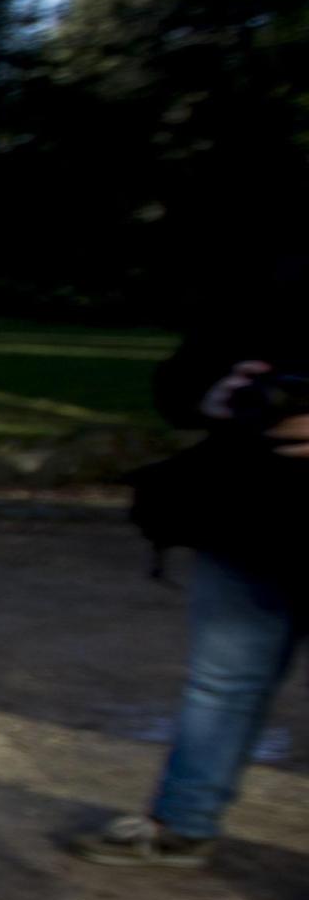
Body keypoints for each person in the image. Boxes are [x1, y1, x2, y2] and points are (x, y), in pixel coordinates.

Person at [70, 262, 309, 866]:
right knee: (221, 682)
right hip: (251, 515)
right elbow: (179, 384)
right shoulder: (274, 273)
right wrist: (216, 392)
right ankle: (181, 823)